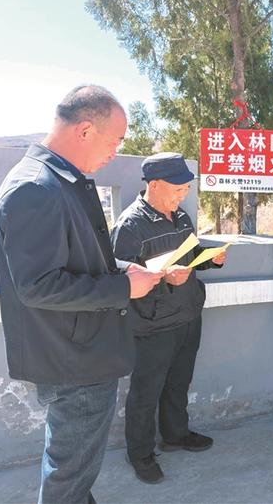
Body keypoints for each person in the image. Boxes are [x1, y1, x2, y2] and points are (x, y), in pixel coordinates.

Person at [0, 85, 163, 504]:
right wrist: (125, 287)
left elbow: (79, 259)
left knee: (74, 469)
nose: (116, 153)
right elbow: (38, 285)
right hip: (74, 361)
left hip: (80, 352)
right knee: (69, 475)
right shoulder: (35, 188)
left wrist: (124, 270)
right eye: (115, 141)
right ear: (85, 130)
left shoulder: (60, 181)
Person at [110, 152, 227, 484]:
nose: (183, 195)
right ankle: (140, 455)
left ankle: (175, 435)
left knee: (178, 383)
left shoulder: (181, 216)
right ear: (155, 184)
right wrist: (164, 278)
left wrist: (210, 259)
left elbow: (189, 255)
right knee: (146, 393)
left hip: (187, 316)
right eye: (178, 189)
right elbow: (119, 277)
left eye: (186, 188)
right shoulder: (130, 225)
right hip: (153, 324)